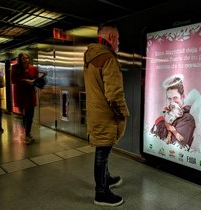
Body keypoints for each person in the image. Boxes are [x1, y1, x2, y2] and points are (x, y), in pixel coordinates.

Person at [84, 23, 129, 207]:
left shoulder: (91, 55)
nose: (118, 41)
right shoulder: (108, 58)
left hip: (96, 111)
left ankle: (106, 178)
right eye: (117, 38)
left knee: (104, 150)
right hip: (106, 115)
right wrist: (123, 113)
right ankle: (101, 192)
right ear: (111, 37)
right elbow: (114, 94)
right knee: (102, 151)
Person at [151, 75, 195, 149]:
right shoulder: (167, 113)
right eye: (169, 98)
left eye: (175, 98)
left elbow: (175, 147)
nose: (172, 102)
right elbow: (152, 135)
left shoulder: (187, 119)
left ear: (183, 96)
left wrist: (160, 123)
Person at [11, 53, 44, 144]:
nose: (26, 60)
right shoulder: (15, 68)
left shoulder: (33, 68)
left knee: (30, 114)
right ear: (20, 59)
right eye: (23, 58)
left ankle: (27, 134)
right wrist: (25, 81)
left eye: (27, 58)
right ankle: (27, 133)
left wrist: (41, 78)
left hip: (30, 94)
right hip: (20, 94)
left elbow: (36, 80)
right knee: (24, 115)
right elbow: (13, 80)